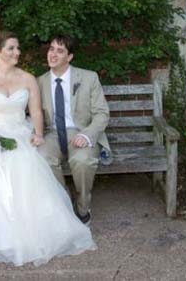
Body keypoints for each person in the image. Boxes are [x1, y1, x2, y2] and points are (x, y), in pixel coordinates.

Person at [0, 31, 96, 267]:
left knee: (30, 162)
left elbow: (35, 112)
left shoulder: (27, 79)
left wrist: (36, 133)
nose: (17, 52)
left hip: (22, 134)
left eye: (18, 48)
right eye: (11, 48)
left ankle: (50, 221)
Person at [37, 35, 110, 226]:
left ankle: (83, 204)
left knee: (83, 160)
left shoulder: (88, 77)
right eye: (51, 49)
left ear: (69, 57)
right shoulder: (39, 82)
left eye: (60, 51)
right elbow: (34, 115)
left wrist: (87, 135)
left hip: (80, 131)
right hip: (51, 134)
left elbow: (102, 113)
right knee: (41, 158)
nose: (53, 54)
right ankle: (64, 200)